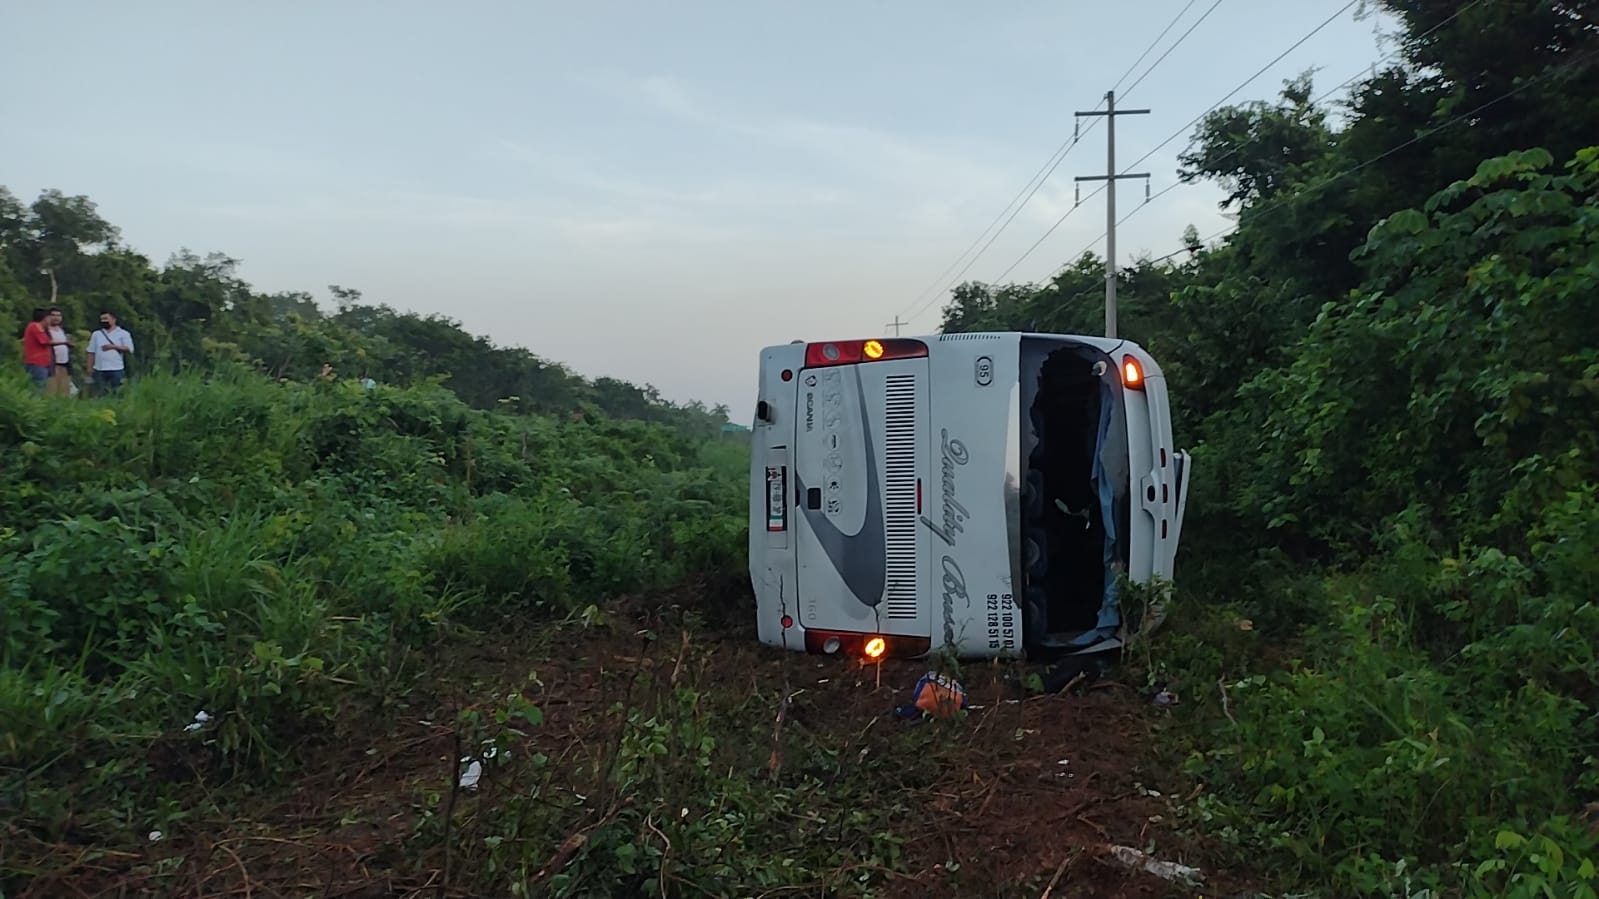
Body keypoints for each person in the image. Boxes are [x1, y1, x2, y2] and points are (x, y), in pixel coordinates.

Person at [87, 311, 135, 393]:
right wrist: (89, 368)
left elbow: (129, 349)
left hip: (116, 368)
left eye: (106, 319)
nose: (103, 321)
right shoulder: (96, 334)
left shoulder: (123, 333)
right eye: (102, 319)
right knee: (100, 392)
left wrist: (113, 346)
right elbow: (91, 351)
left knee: (116, 391)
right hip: (99, 369)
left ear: (113, 320)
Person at [43, 307, 75, 397]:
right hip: (51, 365)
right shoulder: (45, 330)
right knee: (51, 391)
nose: (56, 318)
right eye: (53, 315)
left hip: (65, 364)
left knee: (65, 391)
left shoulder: (63, 330)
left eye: (58, 315)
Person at [20, 308, 54, 391]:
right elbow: (44, 341)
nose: (50, 320)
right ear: (45, 318)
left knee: (39, 387)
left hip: (41, 363)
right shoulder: (35, 326)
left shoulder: (40, 328)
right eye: (49, 318)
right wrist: (64, 342)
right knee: (38, 388)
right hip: (37, 363)